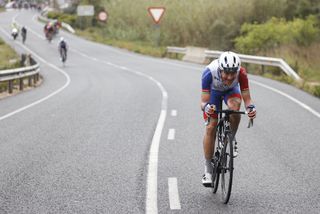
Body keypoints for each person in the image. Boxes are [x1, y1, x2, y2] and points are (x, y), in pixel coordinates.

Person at [200, 51, 256, 187]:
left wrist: (251, 108)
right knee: (211, 127)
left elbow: (247, 99)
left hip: (231, 92)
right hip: (213, 93)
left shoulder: (242, 74)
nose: (230, 77)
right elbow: (203, 103)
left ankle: (231, 138)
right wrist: (207, 108)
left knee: (235, 108)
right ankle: (208, 169)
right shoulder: (209, 73)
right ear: (220, 69)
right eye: (226, 73)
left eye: (233, 73)